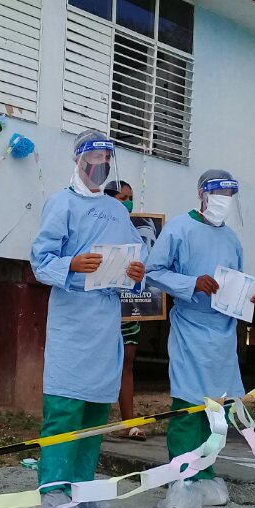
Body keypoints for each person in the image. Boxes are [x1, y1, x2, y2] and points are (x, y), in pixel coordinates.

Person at [26, 130, 145, 508]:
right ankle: (53, 493)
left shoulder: (117, 212)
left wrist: (135, 274)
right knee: (64, 409)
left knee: (95, 408)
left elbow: (133, 263)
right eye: (92, 156)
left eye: (106, 158)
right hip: (72, 319)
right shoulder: (61, 204)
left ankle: (83, 485)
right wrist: (72, 265)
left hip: (105, 321)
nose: (99, 164)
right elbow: (41, 261)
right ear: (78, 160)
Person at [145, 169, 255, 508]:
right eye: (217, 193)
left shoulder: (232, 240)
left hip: (223, 333)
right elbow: (153, 270)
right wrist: (192, 283)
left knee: (217, 410)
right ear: (201, 194)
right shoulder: (179, 228)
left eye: (229, 195)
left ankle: (206, 474)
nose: (223, 201)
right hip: (190, 327)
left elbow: (237, 283)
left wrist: (248, 298)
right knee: (187, 407)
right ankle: (181, 479)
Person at [104, 180, 146, 441]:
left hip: (127, 307)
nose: (128, 202)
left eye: (131, 197)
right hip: (100, 307)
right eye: (123, 197)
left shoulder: (134, 232)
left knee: (127, 361)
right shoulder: (99, 226)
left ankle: (128, 422)